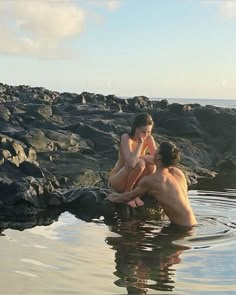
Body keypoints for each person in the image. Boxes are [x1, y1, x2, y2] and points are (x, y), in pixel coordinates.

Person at [106, 141, 197, 227]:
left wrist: (114, 198)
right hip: (193, 223)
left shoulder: (152, 180)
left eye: (157, 150)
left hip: (180, 228)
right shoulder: (179, 173)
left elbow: (128, 197)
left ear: (159, 157)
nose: (154, 152)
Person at [108, 112, 157, 208]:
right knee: (140, 163)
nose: (146, 135)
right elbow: (131, 163)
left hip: (134, 179)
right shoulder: (126, 138)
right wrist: (140, 142)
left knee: (152, 166)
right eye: (143, 132)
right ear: (136, 128)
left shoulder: (149, 138)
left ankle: (136, 193)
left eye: (149, 132)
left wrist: (141, 156)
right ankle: (128, 193)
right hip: (118, 179)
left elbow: (156, 159)